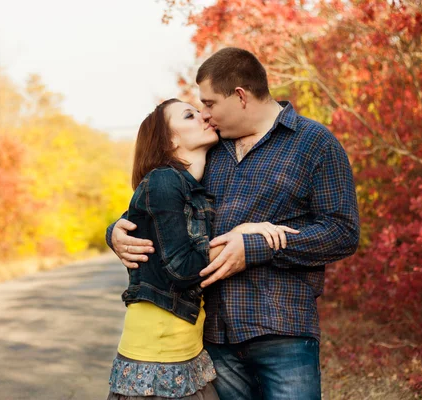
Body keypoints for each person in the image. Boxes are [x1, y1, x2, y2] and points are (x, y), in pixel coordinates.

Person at [107, 47, 360, 400]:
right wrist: (116, 230)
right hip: (213, 338)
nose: (206, 115)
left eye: (209, 104)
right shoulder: (210, 149)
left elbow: (342, 232)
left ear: (240, 96)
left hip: (281, 332)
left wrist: (256, 246)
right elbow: (165, 205)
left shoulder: (314, 143)